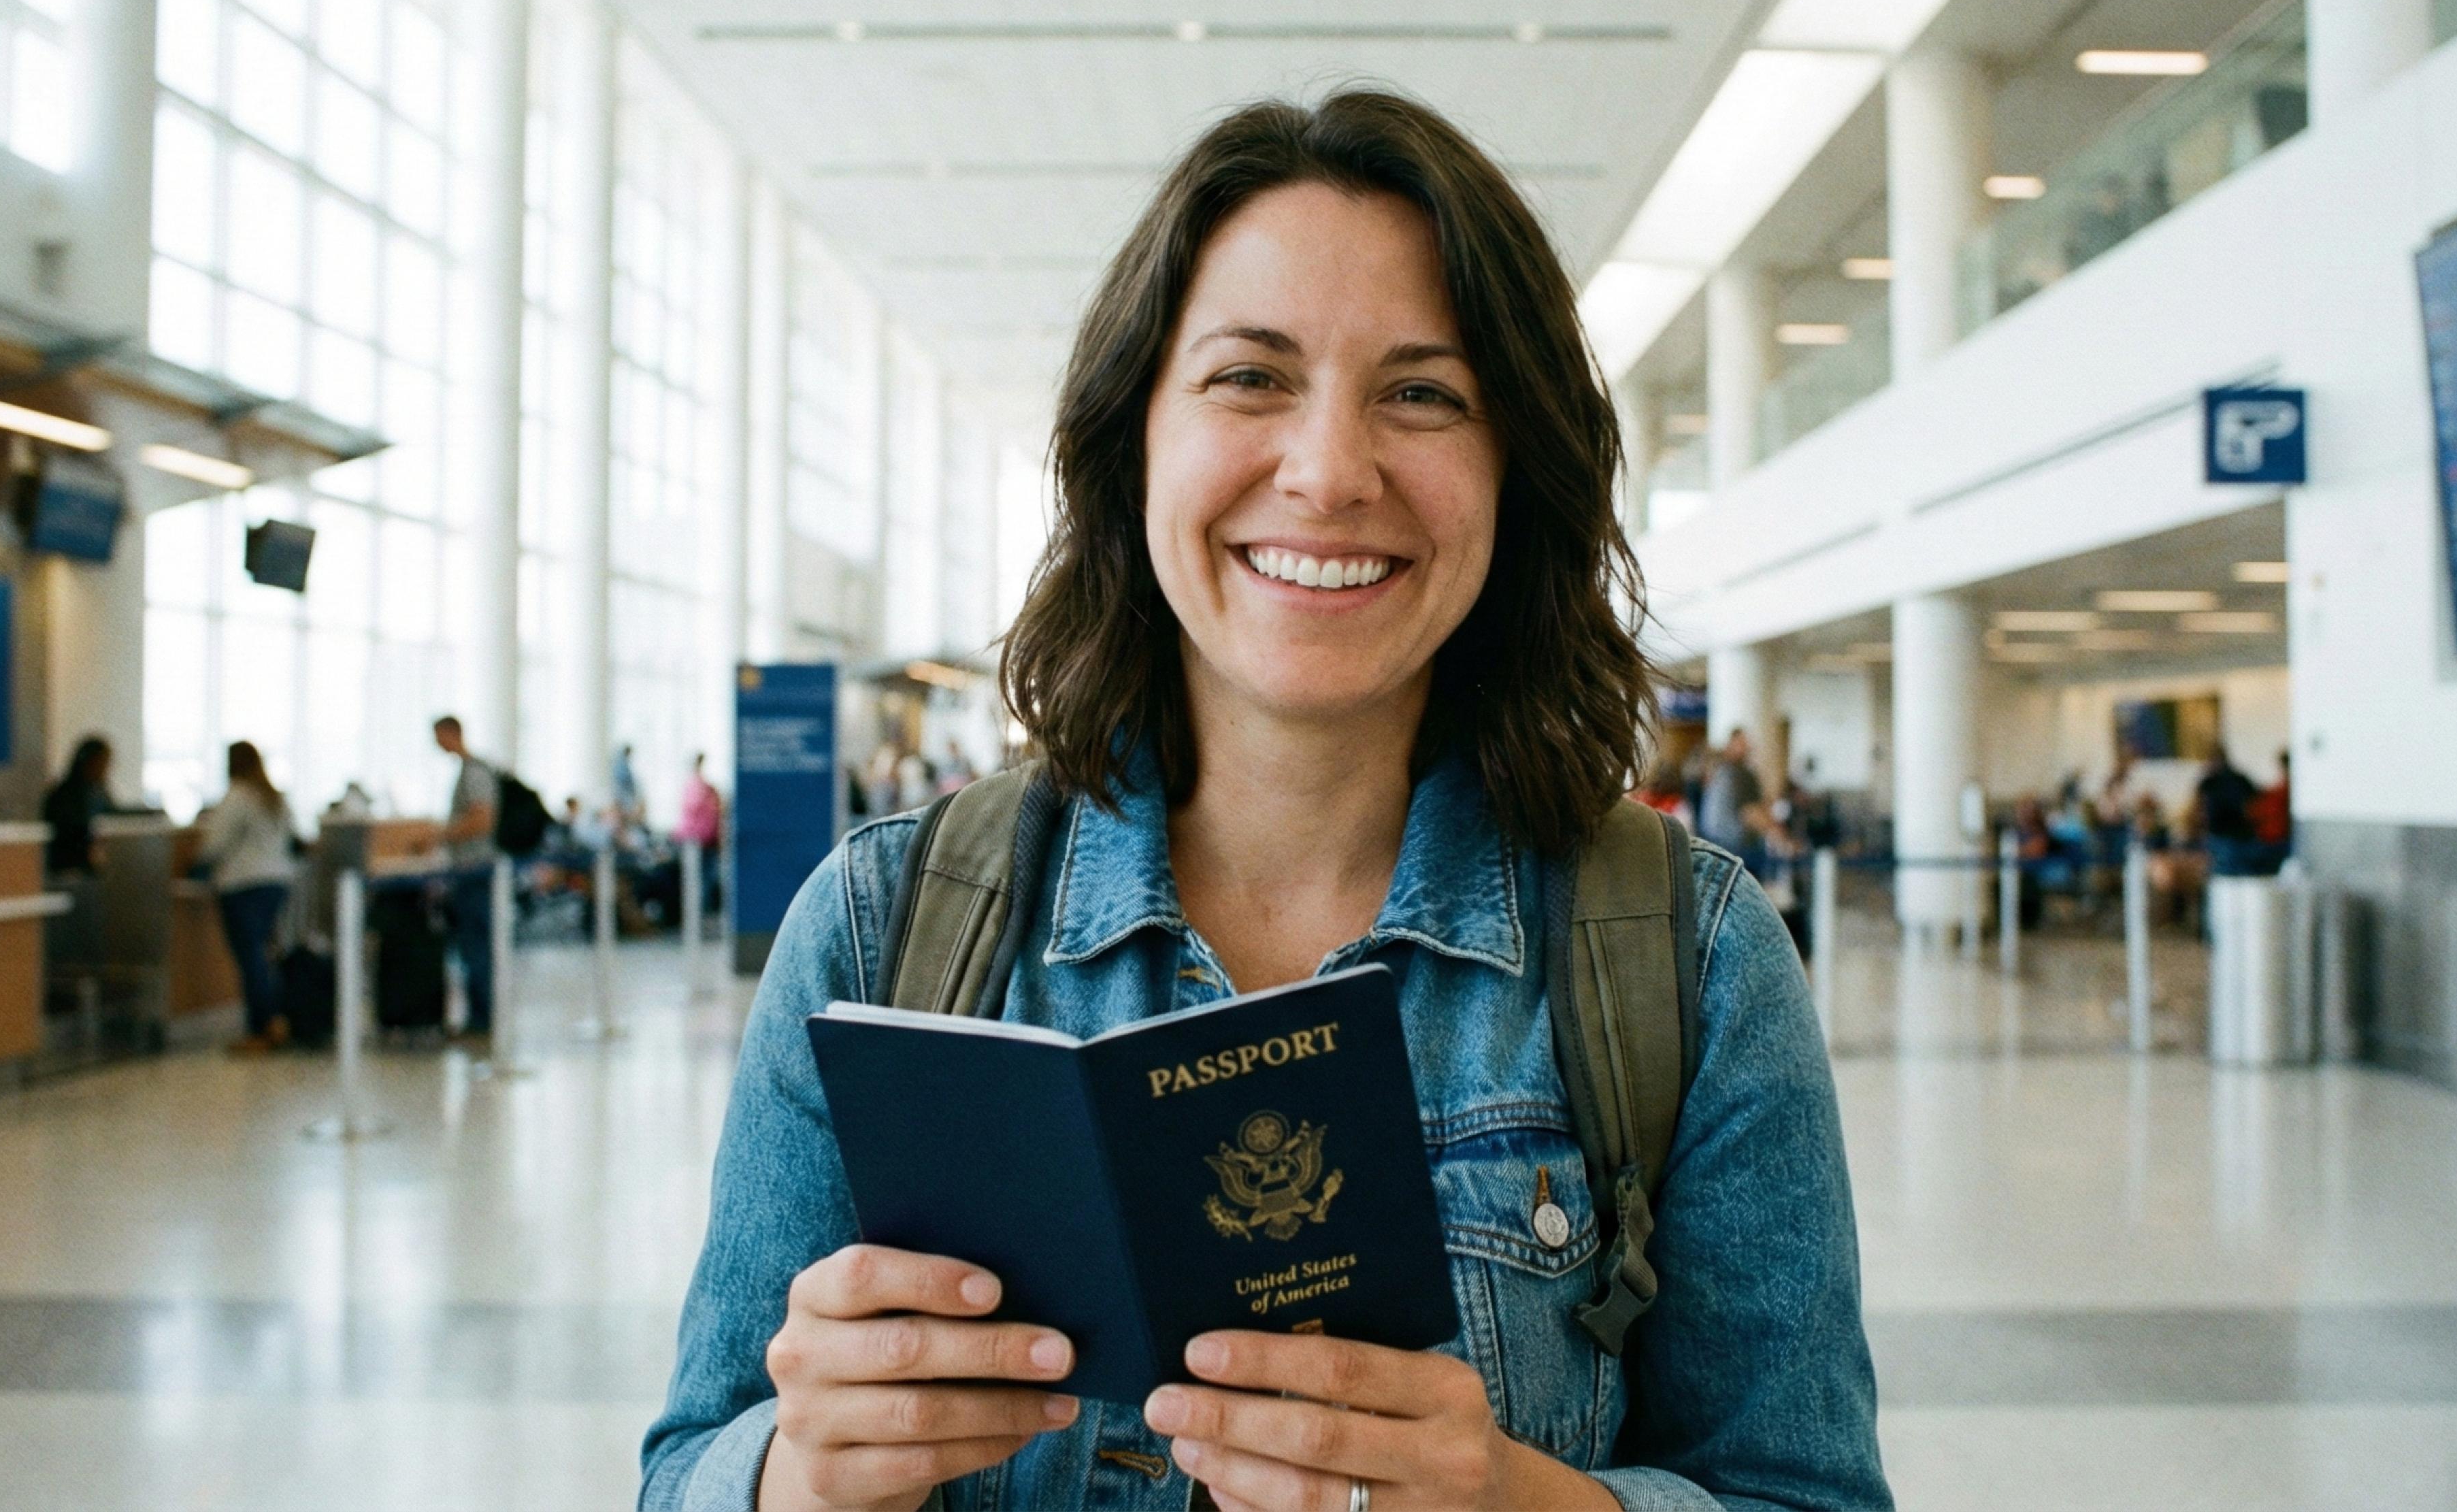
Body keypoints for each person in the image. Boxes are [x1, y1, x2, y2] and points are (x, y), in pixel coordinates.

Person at [644, 91, 1886, 1512]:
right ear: (1133, 443)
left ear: (1513, 469)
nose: (1326, 471)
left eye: (1421, 392)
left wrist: (1514, 1499)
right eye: (1249, 378)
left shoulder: (1690, 956)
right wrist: (797, 1475)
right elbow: (688, 1469)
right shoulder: (883, 929)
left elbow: (1808, 1492)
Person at [197, 741, 297, 1053]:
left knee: (251, 958)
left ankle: (262, 1027)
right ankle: (277, 1021)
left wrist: (195, 863)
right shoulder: (273, 797)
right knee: (264, 955)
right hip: (276, 882)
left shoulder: (237, 797)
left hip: (243, 885)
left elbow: (214, 845)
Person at [431, 716, 499, 1038]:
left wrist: (442, 836)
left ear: (450, 733)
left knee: (476, 946)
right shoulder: (470, 770)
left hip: (476, 869)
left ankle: (483, 1017)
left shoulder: (474, 772)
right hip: (470, 870)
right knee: (474, 945)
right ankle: (479, 1014)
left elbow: (482, 820)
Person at [42, 736, 117, 879]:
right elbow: (71, 831)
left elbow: (113, 815)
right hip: (69, 868)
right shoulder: (64, 795)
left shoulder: (99, 792)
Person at [1696, 726, 1762, 859]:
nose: (1746, 747)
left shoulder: (1719, 770)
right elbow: (1750, 812)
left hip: (1712, 841)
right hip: (1735, 845)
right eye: (1742, 743)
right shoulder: (1737, 774)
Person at [2195, 746, 2262, 878]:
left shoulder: (2210, 783)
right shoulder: (2241, 779)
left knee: (2224, 876)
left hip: (2222, 836)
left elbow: (2200, 809)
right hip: (2244, 835)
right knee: (2241, 875)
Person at [675, 755, 723, 915]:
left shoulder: (704, 788)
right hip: (699, 840)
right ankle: (698, 915)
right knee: (700, 880)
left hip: (707, 840)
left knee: (705, 880)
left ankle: (700, 914)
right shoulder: (700, 788)